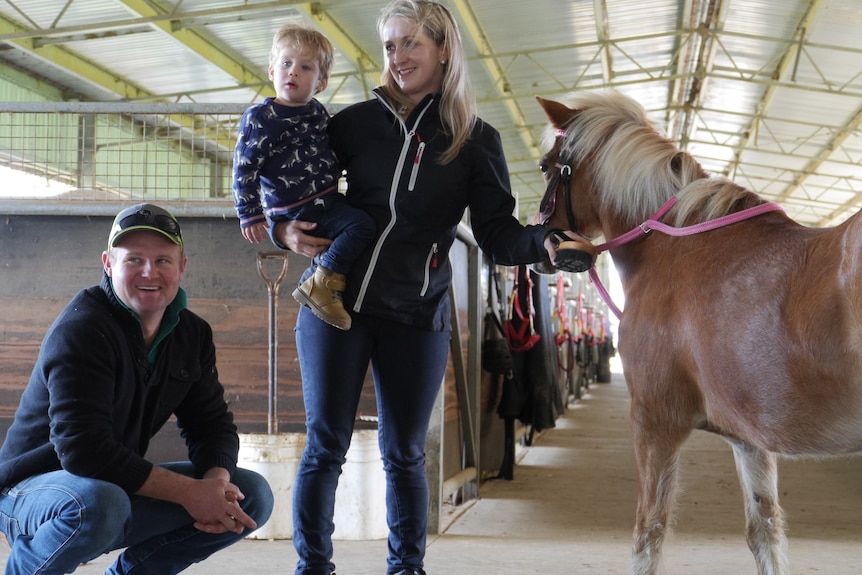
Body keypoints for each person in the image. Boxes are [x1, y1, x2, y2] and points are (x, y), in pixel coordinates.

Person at [271, 2, 594, 574]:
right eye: (390, 46)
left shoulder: (475, 140)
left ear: (444, 49)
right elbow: (289, 178)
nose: (397, 58)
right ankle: (313, 567)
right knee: (325, 448)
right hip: (334, 301)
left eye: (410, 44)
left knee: (405, 454)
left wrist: (542, 243)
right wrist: (278, 226)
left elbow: (495, 235)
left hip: (418, 313)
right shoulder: (350, 124)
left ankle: (406, 567)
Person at [0, 203, 274, 575]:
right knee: (100, 502)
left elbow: (211, 425)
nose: (150, 272)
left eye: (163, 260)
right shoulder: (83, 329)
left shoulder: (191, 334)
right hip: (29, 494)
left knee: (250, 494)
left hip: (108, 487)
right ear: (109, 264)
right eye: (134, 260)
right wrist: (188, 493)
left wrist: (214, 485)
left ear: (182, 267)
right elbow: (83, 451)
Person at [232, 22, 375, 330]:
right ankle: (323, 281)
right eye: (285, 63)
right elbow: (244, 169)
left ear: (321, 82)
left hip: (326, 200)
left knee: (360, 224)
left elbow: (325, 152)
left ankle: (326, 281)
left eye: (305, 67)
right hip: (297, 209)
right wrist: (250, 214)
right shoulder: (260, 119)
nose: (292, 72)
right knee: (361, 226)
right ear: (272, 71)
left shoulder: (318, 113)